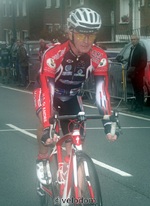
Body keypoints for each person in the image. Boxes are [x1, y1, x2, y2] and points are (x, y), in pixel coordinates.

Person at [33, 7, 118, 185]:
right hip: (48, 93)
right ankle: (42, 159)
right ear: (70, 33)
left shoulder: (98, 56)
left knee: (76, 143)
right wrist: (49, 124)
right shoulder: (53, 54)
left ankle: (78, 191)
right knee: (46, 128)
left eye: (91, 36)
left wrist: (108, 120)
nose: (86, 41)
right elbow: (47, 91)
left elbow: (101, 91)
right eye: (81, 35)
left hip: (72, 96)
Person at [127, 34, 147, 112]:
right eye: (132, 39)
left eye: (134, 39)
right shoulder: (132, 49)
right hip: (132, 73)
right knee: (135, 90)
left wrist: (136, 70)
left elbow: (143, 62)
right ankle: (136, 105)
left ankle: (140, 106)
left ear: (138, 40)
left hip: (138, 73)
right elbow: (130, 60)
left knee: (139, 90)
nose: (133, 41)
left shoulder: (141, 49)